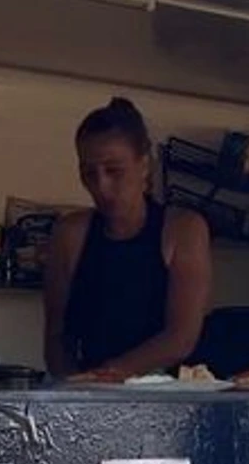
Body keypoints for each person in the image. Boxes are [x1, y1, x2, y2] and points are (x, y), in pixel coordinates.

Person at [41, 96, 212, 380]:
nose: (101, 186)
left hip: (166, 395)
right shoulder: (69, 234)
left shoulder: (183, 229)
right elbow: (57, 336)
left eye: (114, 171)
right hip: (88, 392)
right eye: (89, 173)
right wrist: (72, 387)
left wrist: (108, 376)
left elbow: (181, 337)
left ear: (144, 165)